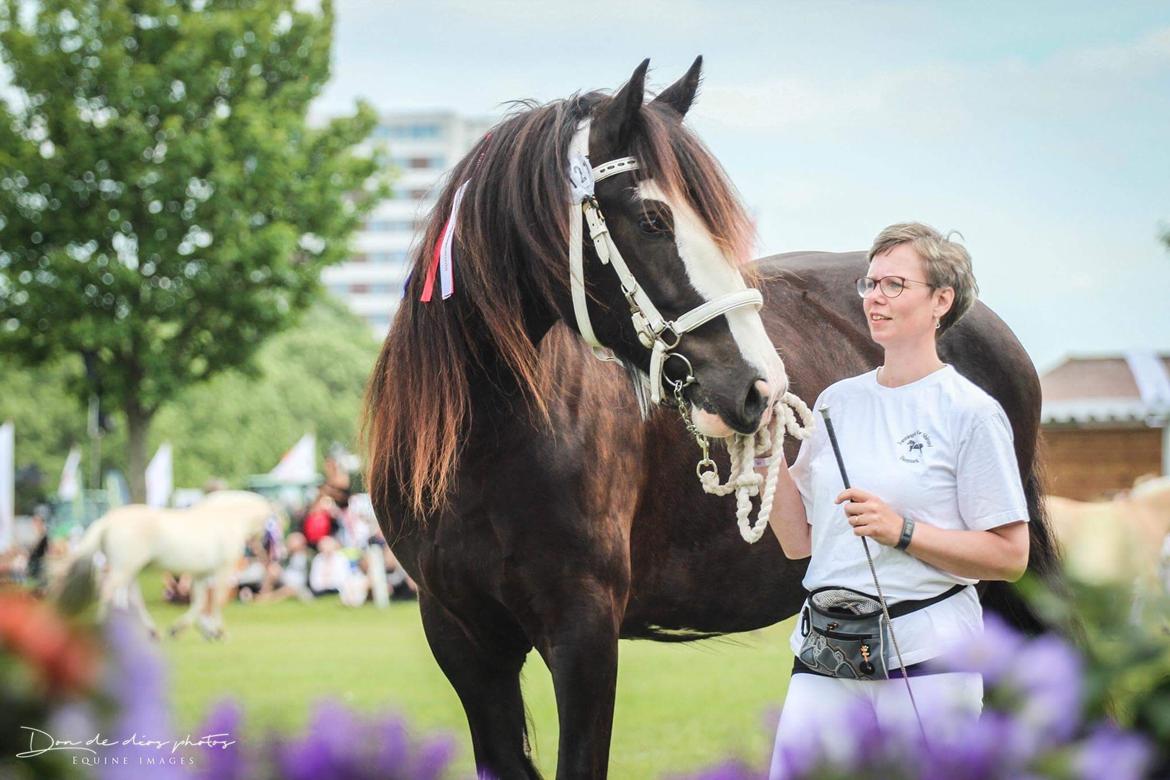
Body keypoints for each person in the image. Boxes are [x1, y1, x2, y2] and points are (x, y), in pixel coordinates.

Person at [766, 223, 1030, 778]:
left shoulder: (970, 413)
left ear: (941, 300)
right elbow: (800, 544)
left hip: (929, 663)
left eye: (894, 284)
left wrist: (902, 530)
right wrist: (762, 453)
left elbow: (1010, 557)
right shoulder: (837, 402)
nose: (874, 297)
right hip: (825, 655)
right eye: (870, 283)